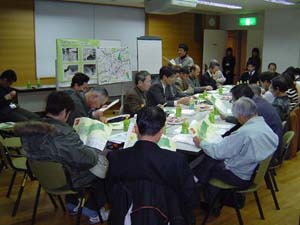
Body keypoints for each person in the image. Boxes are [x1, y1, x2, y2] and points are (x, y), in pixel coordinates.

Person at [14, 91, 108, 224]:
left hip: (45, 177)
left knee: (67, 161)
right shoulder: (62, 135)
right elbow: (88, 160)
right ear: (65, 111)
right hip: (66, 180)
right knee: (108, 168)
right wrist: (94, 150)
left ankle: (71, 203)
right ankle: (92, 209)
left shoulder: (30, 130)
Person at [107, 106, 197, 225]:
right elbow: (191, 199)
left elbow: (110, 193)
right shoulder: (176, 160)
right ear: (162, 130)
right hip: (167, 217)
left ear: (136, 129)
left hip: (126, 217)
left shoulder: (116, 157)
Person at [193, 97, 278, 210]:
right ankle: (203, 189)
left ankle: (210, 204)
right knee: (209, 162)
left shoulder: (244, 133)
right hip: (253, 171)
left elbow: (218, 152)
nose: (237, 119)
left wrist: (201, 143)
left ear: (242, 116)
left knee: (206, 163)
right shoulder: (263, 125)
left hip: (240, 176)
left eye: (237, 117)